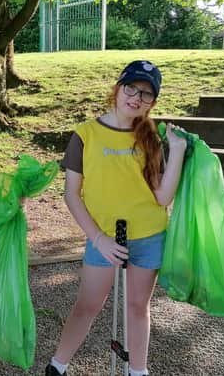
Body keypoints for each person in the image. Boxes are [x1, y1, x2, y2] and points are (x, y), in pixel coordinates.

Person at [45, 61, 187, 376]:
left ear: (153, 102)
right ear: (118, 87)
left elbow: (162, 197)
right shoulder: (85, 134)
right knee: (87, 305)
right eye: (131, 88)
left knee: (138, 307)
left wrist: (176, 152)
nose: (136, 98)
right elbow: (71, 194)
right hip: (103, 238)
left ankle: (138, 371)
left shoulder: (150, 136)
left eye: (146, 95)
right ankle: (57, 366)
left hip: (149, 236)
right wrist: (98, 238)